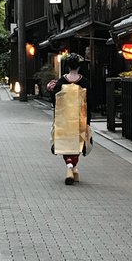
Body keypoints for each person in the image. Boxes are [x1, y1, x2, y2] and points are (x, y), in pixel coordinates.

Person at [49, 53, 91, 185]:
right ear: (79, 66)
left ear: (67, 66)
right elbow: (91, 101)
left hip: (64, 117)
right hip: (80, 117)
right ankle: (73, 168)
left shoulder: (62, 81)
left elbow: (54, 99)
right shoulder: (84, 82)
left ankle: (70, 167)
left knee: (65, 143)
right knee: (77, 143)